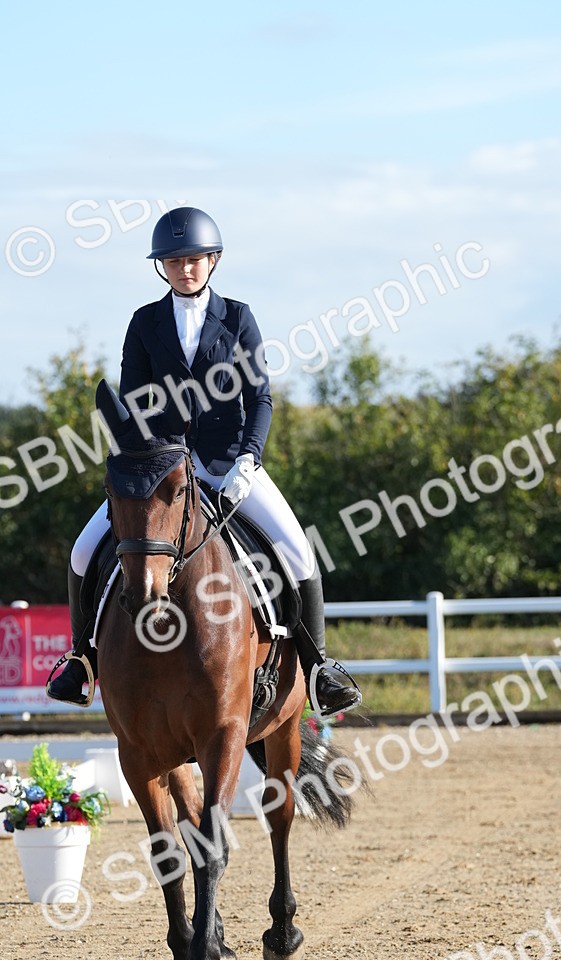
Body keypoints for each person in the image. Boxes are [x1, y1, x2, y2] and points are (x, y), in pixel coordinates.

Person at [47, 205, 361, 717]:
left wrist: (248, 460)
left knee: (298, 551)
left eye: (193, 259)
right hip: (163, 470)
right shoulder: (144, 322)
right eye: (173, 261)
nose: (183, 269)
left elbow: (261, 398)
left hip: (228, 462)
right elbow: (133, 403)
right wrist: (146, 461)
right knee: (84, 552)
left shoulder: (237, 317)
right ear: (161, 267)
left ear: (212, 260)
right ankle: (81, 660)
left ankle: (321, 668)